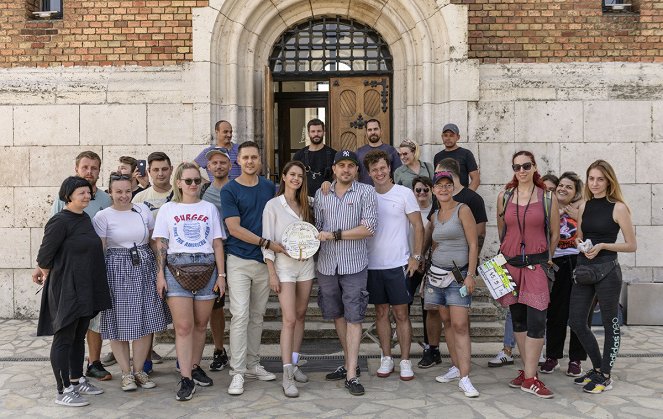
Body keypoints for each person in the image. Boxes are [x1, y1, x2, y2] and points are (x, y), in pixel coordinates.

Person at [33, 176, 112, 407]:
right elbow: (45, 257)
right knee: (64, 337)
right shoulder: (60, 221)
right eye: (82, 193)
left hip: (86, 286)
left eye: (88, 193)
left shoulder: (85, 218)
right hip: (67, 288)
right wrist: (44, 271)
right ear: (68, 195)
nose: (87, 196)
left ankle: (76, 381)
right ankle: (63, 390)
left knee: (78, 336)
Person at [153, 162, 226, 401]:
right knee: (183, 326)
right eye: (188, 181)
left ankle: (194, 366)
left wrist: (222, 276)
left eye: (197, 180)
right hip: (176, 268)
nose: (193, 185)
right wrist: (160, 274)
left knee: (200, 325)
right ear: (179, 183)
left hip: (207, 268)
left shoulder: (209, 209)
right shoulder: (168, 209)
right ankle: (185, 377)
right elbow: (161, 243)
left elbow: (217, 243)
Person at [93, 173, 171, 392]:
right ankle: (126, 373)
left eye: (128, 191)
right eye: (118, 191)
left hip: (145, 266)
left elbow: (155, 243)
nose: (124, 195)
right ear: (110, 192)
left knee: (146, 320)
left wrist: (160, 271)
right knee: (118, 322)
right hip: (116, 269)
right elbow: (100, 250)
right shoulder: (103, 216)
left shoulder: (142, 210)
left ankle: (139, 371)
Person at [496, 150, 560, 399]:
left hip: (536, 265)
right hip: (511, 265)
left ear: (534, 167)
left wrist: (547, 257)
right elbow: (502, 231)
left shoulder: (547, 197)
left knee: (536, 321)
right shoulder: (504, 196)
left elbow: (554, 233)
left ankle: (531, 377)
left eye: (526, 166)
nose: (521, 171)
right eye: (516, 167)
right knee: (519, 320)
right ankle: (528, 372)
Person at [569, 160, 636, 394]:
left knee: (611, 325)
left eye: (600, 179)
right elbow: (579, 235)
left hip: (608, 271)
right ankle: (598, 367)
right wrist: (580, 243)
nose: (595, 183)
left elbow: (631, 245)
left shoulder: (618, 207)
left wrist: (603, 245)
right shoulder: (585, 205)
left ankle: (606, 375)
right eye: (591, 178)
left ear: (609, 180)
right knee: (576, 321)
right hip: (585, 269)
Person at [45, 151, 113, 381]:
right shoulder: (61, 211)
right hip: (69, 279)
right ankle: (63, 386)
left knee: (85, 328)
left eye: (94, 168)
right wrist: (45, 269)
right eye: (85, 167)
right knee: (67, 332)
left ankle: (85, 371)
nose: (89, 172)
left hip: (92, 275)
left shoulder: (96, 207)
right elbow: (49, 245)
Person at [315, 149, 378, 396]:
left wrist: (336, 235)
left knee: (354, 316)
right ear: (334, 169)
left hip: (354, 264)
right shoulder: (322, 194)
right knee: (337, 315)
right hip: (327, 265)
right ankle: (348, 362)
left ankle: (351, 374)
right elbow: (317, 227)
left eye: (350, 165)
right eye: (341, 165)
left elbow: (369, 227)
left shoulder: (366, 192)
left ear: (356, 170)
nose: (346, 169)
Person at [221, 141, 279, 396]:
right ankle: (237, 371)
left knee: (257, 316)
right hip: (239, 260)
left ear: (260, 160)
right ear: (238, 161)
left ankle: (254, 364)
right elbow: (233, 228)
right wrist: (265, 242)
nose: (250, 161)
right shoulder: (229, 189)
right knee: (241, 315)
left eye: (254, 157)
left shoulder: (269, 187)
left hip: (264, 261)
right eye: (245, 157)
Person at [421, 158, 488, 370]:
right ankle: (455, 367)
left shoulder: (463, 209)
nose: (443, 189)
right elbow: (432, 239)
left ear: (453, 187)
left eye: (447, 185)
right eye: (439, 186)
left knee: (459, 325)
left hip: (457, 276)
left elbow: (473, 243)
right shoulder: (435, 215)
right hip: (436, 276)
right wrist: (421, 255)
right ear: (433, 190)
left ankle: (465, 376)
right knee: (447, 323)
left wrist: (471, 274)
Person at [364, 150, 424, 382]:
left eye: (382, 168)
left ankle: (406, 360)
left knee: (401, 314)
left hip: (399, 263)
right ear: (369, 173)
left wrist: (416, 257)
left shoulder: (404, 193)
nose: (379, 173)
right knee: (380, 313)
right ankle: (386, 357)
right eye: (374, 170)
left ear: (389, 168)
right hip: (373, 264)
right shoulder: (366, 194)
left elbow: (418, 226)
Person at [262, 161, 315, 397]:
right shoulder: (273, 206)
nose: (296, 179)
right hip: (284, 268)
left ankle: (294, 363)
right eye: (292, 175)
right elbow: (267, 242)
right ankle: (286, 375)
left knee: (301, 315)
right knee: (289, 319)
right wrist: (271, 272)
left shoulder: (307, 204)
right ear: (283, 177)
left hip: (306, 266)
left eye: (300, 176)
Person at [540, 171, 587, 377]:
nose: (563, 189)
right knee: (555, 312)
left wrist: (579, 217)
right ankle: (552, 356)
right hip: (555, 262)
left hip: (578, 262)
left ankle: (576, 359)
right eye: (561, 185)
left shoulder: (582, 208)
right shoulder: (547, 209)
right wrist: (555, 215)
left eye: (569, 187)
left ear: (576, 192)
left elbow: (592, 232)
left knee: (578, 313)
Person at [200, 147, 232, 372]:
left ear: (230, 165)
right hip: (211, 254)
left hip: (236, 249)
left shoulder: (238, 188)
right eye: (214, 163)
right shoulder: (201, 190)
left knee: (242, 306)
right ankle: (219, 349)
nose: (218, 166)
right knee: (215, 305)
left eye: (222, 162)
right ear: (208, 167)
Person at [406, 176, 436, 366]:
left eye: (425, 189)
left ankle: (430, 348)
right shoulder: (409, 211)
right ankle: (404, 345)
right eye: (418, 190)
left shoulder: (436, 211)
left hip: (431, 265)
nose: (422, 193)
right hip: (411, 264)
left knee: (429, 308)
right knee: (404, 302)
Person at [292, 118, 337, 197]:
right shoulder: (299, 155)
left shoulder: (334, 154)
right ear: (308, 133)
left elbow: (340, 177)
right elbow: (292, 177)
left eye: (319, 131)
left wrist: (331, 182)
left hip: (327, 199)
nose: (316, 134)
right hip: (304, 199)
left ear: (324, 133)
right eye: (313, 131)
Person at [433, 123, 480, 190]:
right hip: (443, 196)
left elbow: (476, 179)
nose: (448, 138)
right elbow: (436, 179)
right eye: (445, 135)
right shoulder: (438, 156)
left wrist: (467, 196)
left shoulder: (466, 154)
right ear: (442, 137)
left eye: (451, 135)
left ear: (458, 137)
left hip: (461, 198)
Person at [356, 119, 401, 185]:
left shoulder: (391, 150)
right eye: (370, 130)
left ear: (381, 131)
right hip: (365, 193)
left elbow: (398, 173)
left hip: (386, 192)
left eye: (375, 129)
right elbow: (354, 174)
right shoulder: (359, 152)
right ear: (366, 133)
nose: (373, 132)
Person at [132, 151, 174, 216]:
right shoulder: (139, 198)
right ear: (149, 171)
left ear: (171, 169)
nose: (160, 174)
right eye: (156, 170)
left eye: (164, 169)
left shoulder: (182, 194)